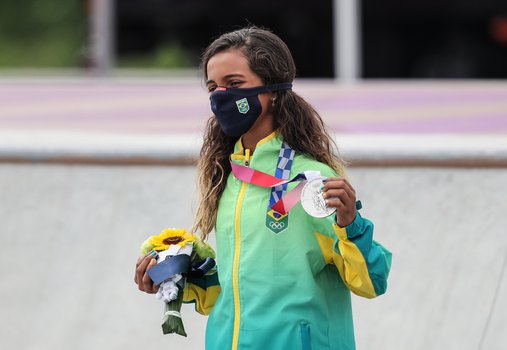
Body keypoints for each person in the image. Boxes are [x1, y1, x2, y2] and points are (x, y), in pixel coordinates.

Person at [135, 26, 392, 350]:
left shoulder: (310, 179)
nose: (220, 96)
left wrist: (350, 224)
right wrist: (178, 275)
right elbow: (235, 292)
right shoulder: (228, 179)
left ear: (273, 90)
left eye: (235, 84)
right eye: (213, 87)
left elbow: (371, 281)